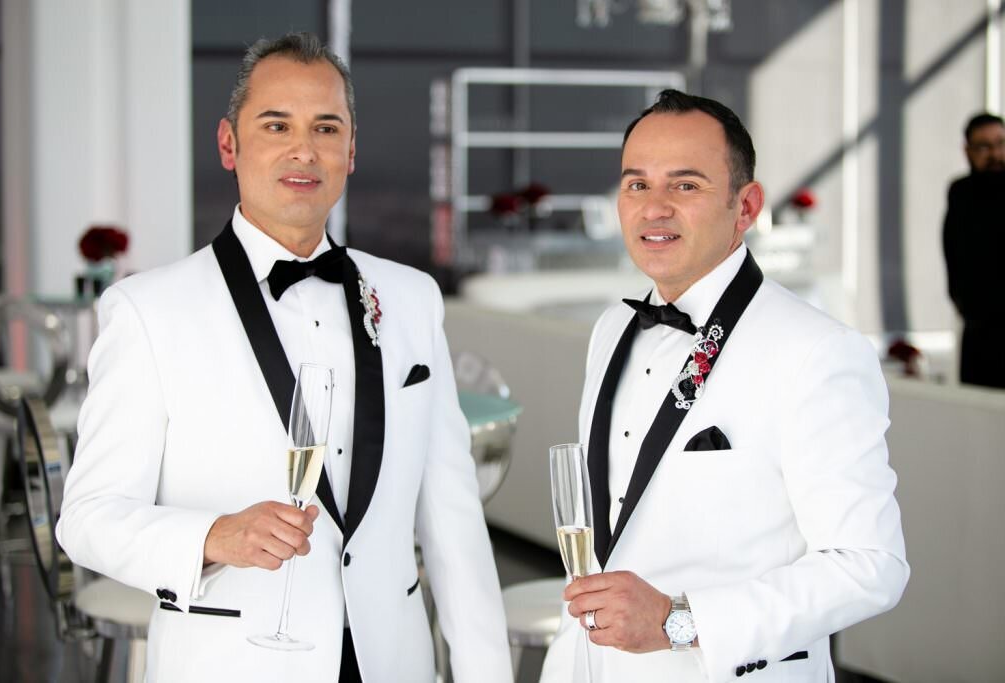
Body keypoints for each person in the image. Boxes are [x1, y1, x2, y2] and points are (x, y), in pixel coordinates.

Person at [56, 32, 512, 683]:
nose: (304, 149)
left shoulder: (411, 299)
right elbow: (88, 518)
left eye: (326, 127)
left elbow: (454, 523)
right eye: (277, 125)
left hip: (393, 660)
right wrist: (213, 536)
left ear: (350, 150)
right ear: (228, 144)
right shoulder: (147, 312)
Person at [539, 90, 909, 683]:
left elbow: (870, 565)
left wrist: (677, 622)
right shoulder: (611, 330)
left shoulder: (817, 351)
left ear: (746, 206)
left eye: (685, 186)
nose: (654, 208)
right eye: (637, 185)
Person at [943, 112, 1005, 388]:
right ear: (968, 151)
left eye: (1000, 143)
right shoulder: (962, 194)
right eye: (984, 146)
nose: (994, 153)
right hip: (981, 335)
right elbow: (955, 257)